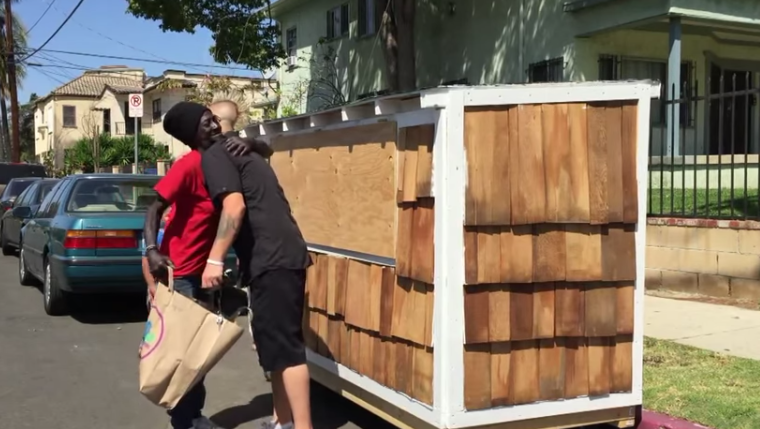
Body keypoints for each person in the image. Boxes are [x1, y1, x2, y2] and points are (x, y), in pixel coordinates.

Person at [143, 101, 273, 429]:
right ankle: (187, 420)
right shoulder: (189, 166)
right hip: (180, 272)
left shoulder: (222, 154)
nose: (215, 125)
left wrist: (250, 142)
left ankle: (189, 416)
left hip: (204, 272)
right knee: (187, 351)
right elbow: (154, 208)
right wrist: (151, 250)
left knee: (199, 352)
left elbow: (266, 149)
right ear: (191, 133)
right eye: (206, 123)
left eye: (214, 119)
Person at [199, 104, 313, 429]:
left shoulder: (220, 154)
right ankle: (283, 421)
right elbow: (267, 148)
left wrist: (214, 258)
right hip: (276, 258)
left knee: (287, 350)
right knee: (274, 347)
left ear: (215, 124)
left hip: (273, 259)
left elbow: (234, 208)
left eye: (208, 120)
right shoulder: (247, 151)